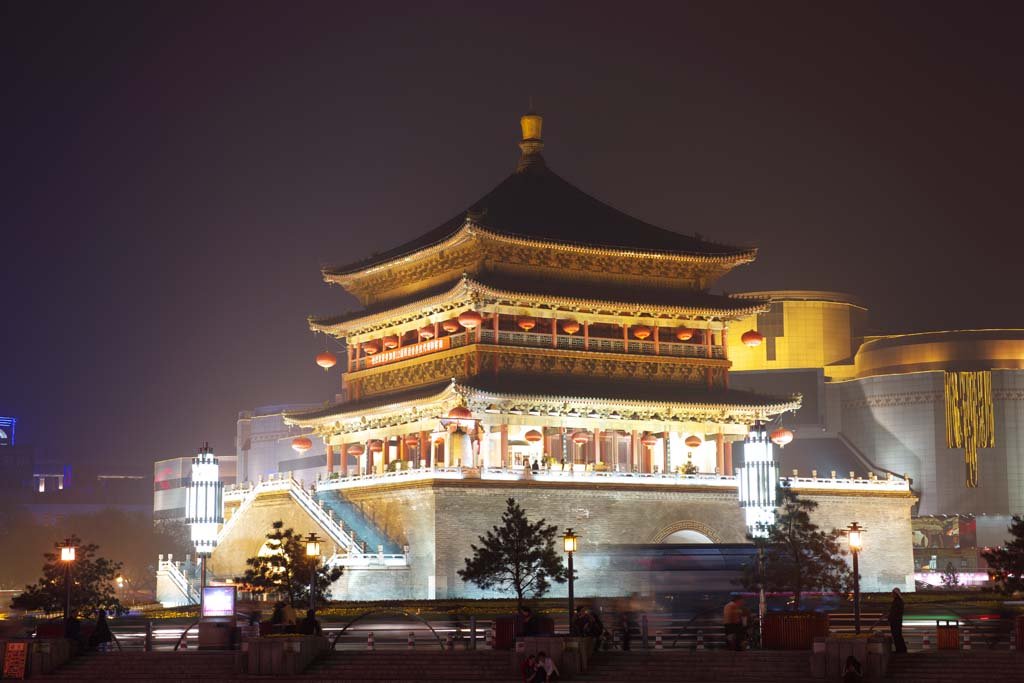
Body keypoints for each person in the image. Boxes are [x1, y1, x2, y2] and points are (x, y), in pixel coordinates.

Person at [888, 587, 907, 653]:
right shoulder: (899, 601)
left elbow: (894, 612)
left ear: (895, 594)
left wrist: (890, 618)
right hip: (897, 621)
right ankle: (902, 649)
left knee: (896, 636)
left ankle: (900, 650)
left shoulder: (897, 601)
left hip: (895, 621)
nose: (891, 594)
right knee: (898, 635)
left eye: (892, 593)